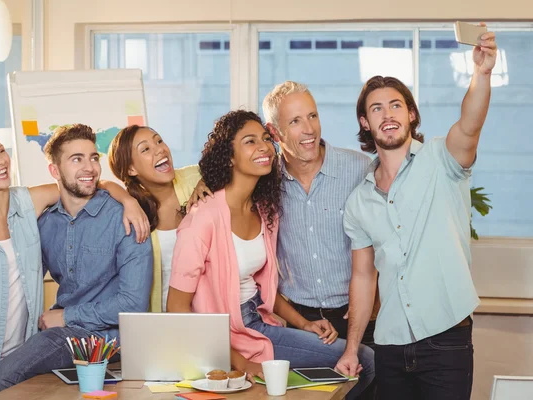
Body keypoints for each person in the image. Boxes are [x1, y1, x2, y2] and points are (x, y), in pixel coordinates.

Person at [335, 25, 497, 400]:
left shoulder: (443, 159)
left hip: (446, 341)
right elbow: (363, 278)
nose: (387, 114)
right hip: (389, 345)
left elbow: (470, 125)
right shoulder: (359, 200)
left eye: (395, 105)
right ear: (365, 122)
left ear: (410, 114)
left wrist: (481, 74)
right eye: (376, 108)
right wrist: (351, 347)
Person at [166, 110, 375, 400]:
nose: (264, 147)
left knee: (359, 362)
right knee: (365, 359)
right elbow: (177, 308)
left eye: (265, 139)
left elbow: (264, 289)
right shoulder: (202, 219)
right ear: (229, 157)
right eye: (250, 142)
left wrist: (304, 324)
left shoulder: (263, 210)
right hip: (222, 338)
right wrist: (240, 362)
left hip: (258, 325)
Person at [0, 121, 146, 400]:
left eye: (0, 151)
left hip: (19, 347)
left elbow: (84, 183)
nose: (0, 162)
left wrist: (128, 200)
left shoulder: (30, 203)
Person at [0, 124, 153, 392]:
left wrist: (67, 316)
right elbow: (19, 278)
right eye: (76, 159)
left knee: (5, 376)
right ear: (54, 170)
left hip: (108, 339)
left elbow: (133, 304)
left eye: (93, 157)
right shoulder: (46, 224)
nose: (89, 167)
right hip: (62, 333)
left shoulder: (126, 218)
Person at [262, 81, 378, 347]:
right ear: (274, 132)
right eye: (295, 122)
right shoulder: (265, 183)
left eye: (312, 116)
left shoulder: (360, 169)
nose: (309, 129)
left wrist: (376, 301)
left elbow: (387, 239)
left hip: (362, 313)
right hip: (300, 322)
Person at [108, 124, 211, 312]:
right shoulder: (129, 210)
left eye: (159, 141)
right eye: (146, 149)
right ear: (131, 169)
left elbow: (227, 166)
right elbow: (100, 184)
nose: (160, 149)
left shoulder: (193, 178)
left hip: (210, 311)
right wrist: (126, 200)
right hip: (161, 318)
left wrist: (205, 180)